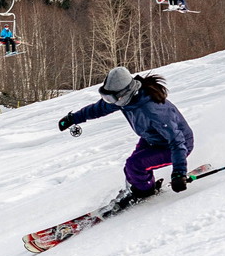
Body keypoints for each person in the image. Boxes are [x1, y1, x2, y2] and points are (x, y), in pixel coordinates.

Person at [57, 67, 194, 206]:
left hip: (176, 146)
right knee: (131, 167)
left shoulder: (153, 111)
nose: (109, 101)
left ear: (124, 93)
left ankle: (144, 193)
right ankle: (139, 187)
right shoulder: (126, 99)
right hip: (153, 138)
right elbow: (99, 108)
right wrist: (73, 118)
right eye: (106, 97)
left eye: (110, 98)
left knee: (135, 165)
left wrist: (179, 173)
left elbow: (177, 142)